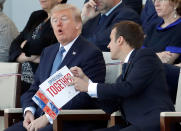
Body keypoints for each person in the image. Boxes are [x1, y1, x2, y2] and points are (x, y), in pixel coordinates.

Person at [4, 4, 106, 131]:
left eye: (63, 19)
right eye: (54, 20)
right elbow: (34, 88)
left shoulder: (90, 53)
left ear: (78, 24)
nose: (58, 24)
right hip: (37, 118)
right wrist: (29, 111)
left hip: (69, 121)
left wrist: (48, 116)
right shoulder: (48, 52)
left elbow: (84, 96)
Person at [69, 21, 175, 131]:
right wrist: (87, 82)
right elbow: (111, 107)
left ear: (120, 40)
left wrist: (88, 87)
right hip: (133, 125)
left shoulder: (145, 56)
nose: (108, 45)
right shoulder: (123, 75)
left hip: (154, 124)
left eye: (110, 40)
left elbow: (130, 87)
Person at [9, 0, 67, 94]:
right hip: (19, 77)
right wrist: (32, 57)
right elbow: (14, 45)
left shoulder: (63, 20)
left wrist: (26, 46)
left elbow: (42, 47)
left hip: (40, 80)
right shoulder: (37, 16)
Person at [143, 0, 181, 103]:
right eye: (154, 0)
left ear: (176, 3)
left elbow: (167, 60)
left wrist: (144, 57)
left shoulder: (179, 27)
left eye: (161, 0)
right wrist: (156, 56)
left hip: (166, 82)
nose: (156, 4)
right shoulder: (153, 25)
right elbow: (137, 54)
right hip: (146, 76)